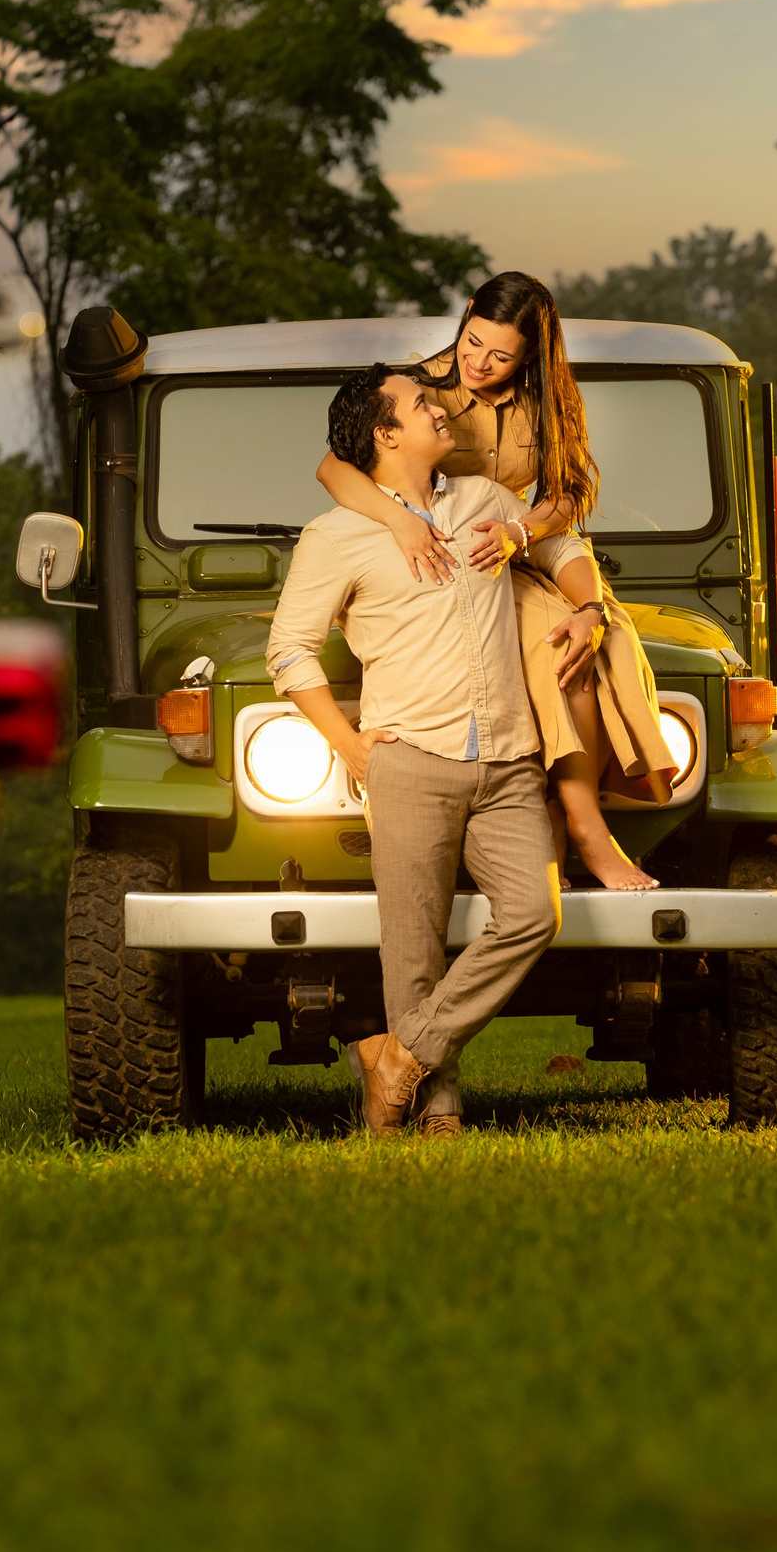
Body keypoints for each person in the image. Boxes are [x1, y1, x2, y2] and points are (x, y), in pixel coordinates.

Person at [266, 364, 603, 1137]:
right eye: (421, 405)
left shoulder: (485, 500)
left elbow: (560, 546)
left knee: (532, 913)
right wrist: (349, 745)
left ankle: (396, 1055)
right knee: (410, 950)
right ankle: (436, 1113)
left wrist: (587, 609)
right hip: (409, 758)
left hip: (509, 760)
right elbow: (288, 651)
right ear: (386, 434)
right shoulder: (337, 535)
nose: (439, 409)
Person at [313, 271, 676, 892]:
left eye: (501, 355)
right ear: (468, 314)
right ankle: (583, 827)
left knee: (605, 634)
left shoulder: (551, 400)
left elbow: (568, 493)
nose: (478, 362)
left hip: (519, 540)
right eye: (472, 341)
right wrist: (399, 520)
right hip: (449, 551)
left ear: (532, 355)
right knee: (560, 643)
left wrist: (524, 534)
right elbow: (332, 468)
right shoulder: (418, 390)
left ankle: (574, 817)